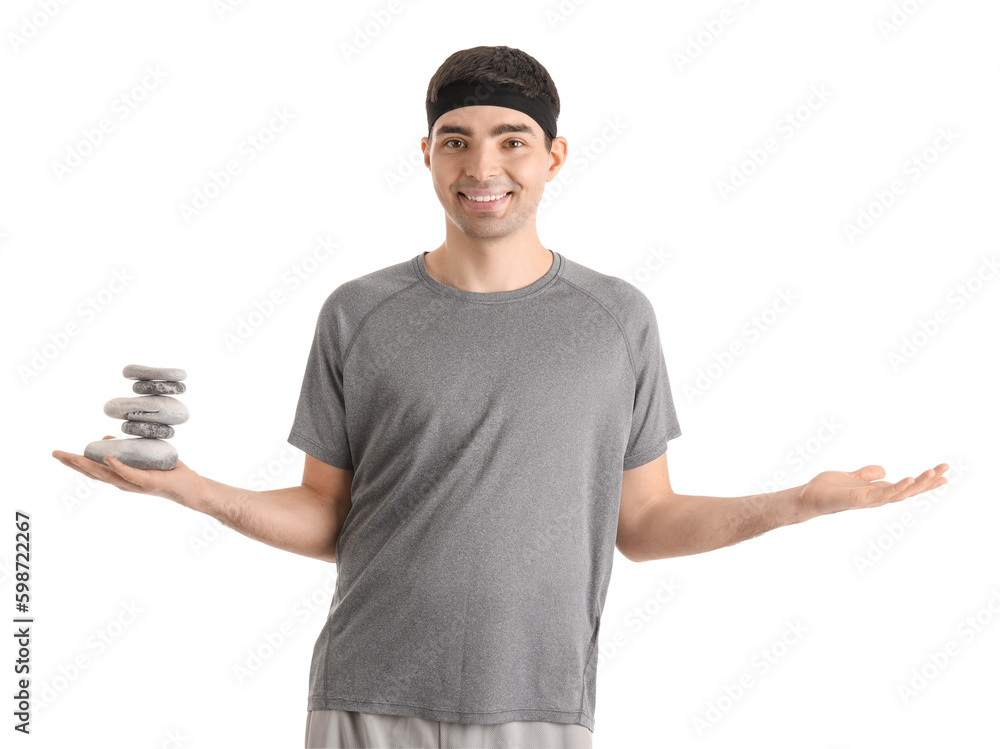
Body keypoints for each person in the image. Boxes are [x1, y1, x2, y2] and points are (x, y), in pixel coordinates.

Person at [53, 45, 949, 749]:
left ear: (553, 155)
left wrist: (797, 502)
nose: (483, 164)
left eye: (512, 138)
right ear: (429, 154)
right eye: (457, 139)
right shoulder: (359, 314)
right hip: (366, 697)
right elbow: (328, 515)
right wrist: (188, 486)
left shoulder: (616, 319)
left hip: (541, 704)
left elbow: (642, 523)